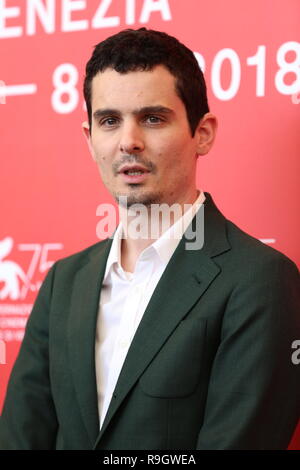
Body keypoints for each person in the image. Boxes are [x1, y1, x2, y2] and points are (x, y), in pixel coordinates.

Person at [0, 28, 299, 450]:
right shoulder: (62, 282)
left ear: (204, 133)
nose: (129, 142)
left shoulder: (260, 281)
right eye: (109, 121)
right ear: (90, 140)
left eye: (153, 118)